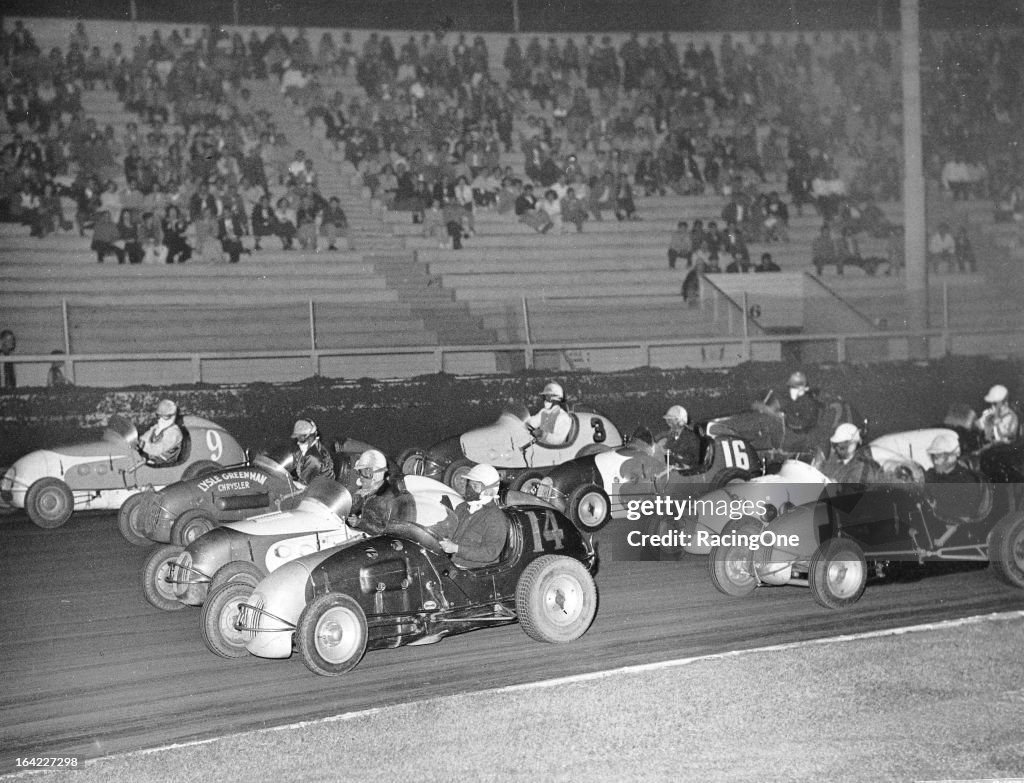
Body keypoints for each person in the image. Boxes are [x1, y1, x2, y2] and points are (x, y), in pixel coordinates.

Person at [433, 463, 510, 568]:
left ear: (488, 491)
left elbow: (490, 552)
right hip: (452, 565)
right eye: (469, 484)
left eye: (475, 486)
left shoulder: (495, 517)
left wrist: (456, 549)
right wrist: (427, 530)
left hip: (473, 571)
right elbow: (445, 526)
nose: (469, 489)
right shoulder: (462, 508)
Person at [924, 432, 989, 529]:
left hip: (954, 529)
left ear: (951, 457)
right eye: (934, 457)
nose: (936, 462)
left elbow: (965, 515)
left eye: (940, 457)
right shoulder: (932, 474)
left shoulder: (966, 480)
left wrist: (935, 506)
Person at [813, 423, 882, 484]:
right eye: (835, 445)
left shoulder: (862, 467)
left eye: (841, 447)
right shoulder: (840, 460)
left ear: (852, 445)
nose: (835, 450)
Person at [524, 381, 574, 447]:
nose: (545, 400)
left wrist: (543, 434)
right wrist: (523, 424)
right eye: (545, 397)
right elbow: (531, 423)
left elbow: (559, 440)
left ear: (555, 398)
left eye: (547, 397)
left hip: (551, 452)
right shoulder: (543, 412)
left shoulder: (563, 417)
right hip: (537, 446)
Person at [138, 399, 183, 465]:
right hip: (151, 458)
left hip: (163, 462)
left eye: (165, 416)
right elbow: (144, 438)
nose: (161, 419)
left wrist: (142, 446)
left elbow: (158, 450)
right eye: (159, 416)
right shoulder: (157, 427)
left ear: (173, 416)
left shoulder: (174, 433)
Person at [656, 405, 701, 470]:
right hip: (671, 469)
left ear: (680, 421)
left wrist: (671, 454)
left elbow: (692, 462)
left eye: (671, 420)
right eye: (668, 420)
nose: (668, 422)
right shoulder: (672, 435)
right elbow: (666, 448)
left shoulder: (692, 438)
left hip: (686, 474)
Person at [290, 418, 334, 484]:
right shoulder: (306, 448)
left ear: (310, 437)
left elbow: (302, 486)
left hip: (319, 490)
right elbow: (294, 459)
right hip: (308, 482)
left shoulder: (313, 459)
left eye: (301, 439)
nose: (298, 442)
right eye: (297, 438)